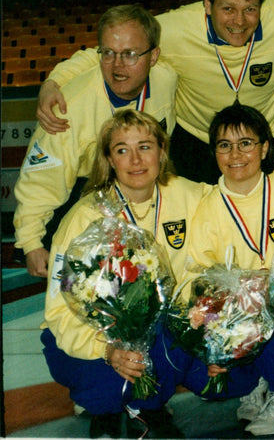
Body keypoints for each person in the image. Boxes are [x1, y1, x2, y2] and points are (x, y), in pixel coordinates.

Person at [36, 0, 274, 183]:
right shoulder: (176, 28)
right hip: (198, 139)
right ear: (207, 3)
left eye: (250, 9)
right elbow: (118, 47)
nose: (239, 21)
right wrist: (55, 81)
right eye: (228, 8)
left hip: (267, 136)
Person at [41, 110, 210, 438]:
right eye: (122, 149)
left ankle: (147, 403)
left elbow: (238, 196)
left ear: (162, 151)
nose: (135, 160)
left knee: (219, 380)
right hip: (88, 335)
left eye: (145, 146)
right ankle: (110, 401)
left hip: (160, 330)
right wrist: (105, 350)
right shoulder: (84, 216)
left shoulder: (188, 194)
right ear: (108, 159)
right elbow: (58, 308)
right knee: (106, 392)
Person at [184, 102, 274, 435]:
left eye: (246, 143)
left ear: (265, 148)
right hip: (248, 317)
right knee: (200, 374)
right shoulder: (207, 207)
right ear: (215, 153)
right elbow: (200, 277)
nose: (235, 154)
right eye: (225, 145)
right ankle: (259, 383)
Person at [14, 5, 177, 278]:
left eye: (130, 55)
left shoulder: (166, 78)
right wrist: (31, 243)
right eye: (109, 54)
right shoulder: (67, 108)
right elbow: (41, 181)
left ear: (153, 57)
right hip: (85, 192)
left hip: (145, 190)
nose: (118, 66)